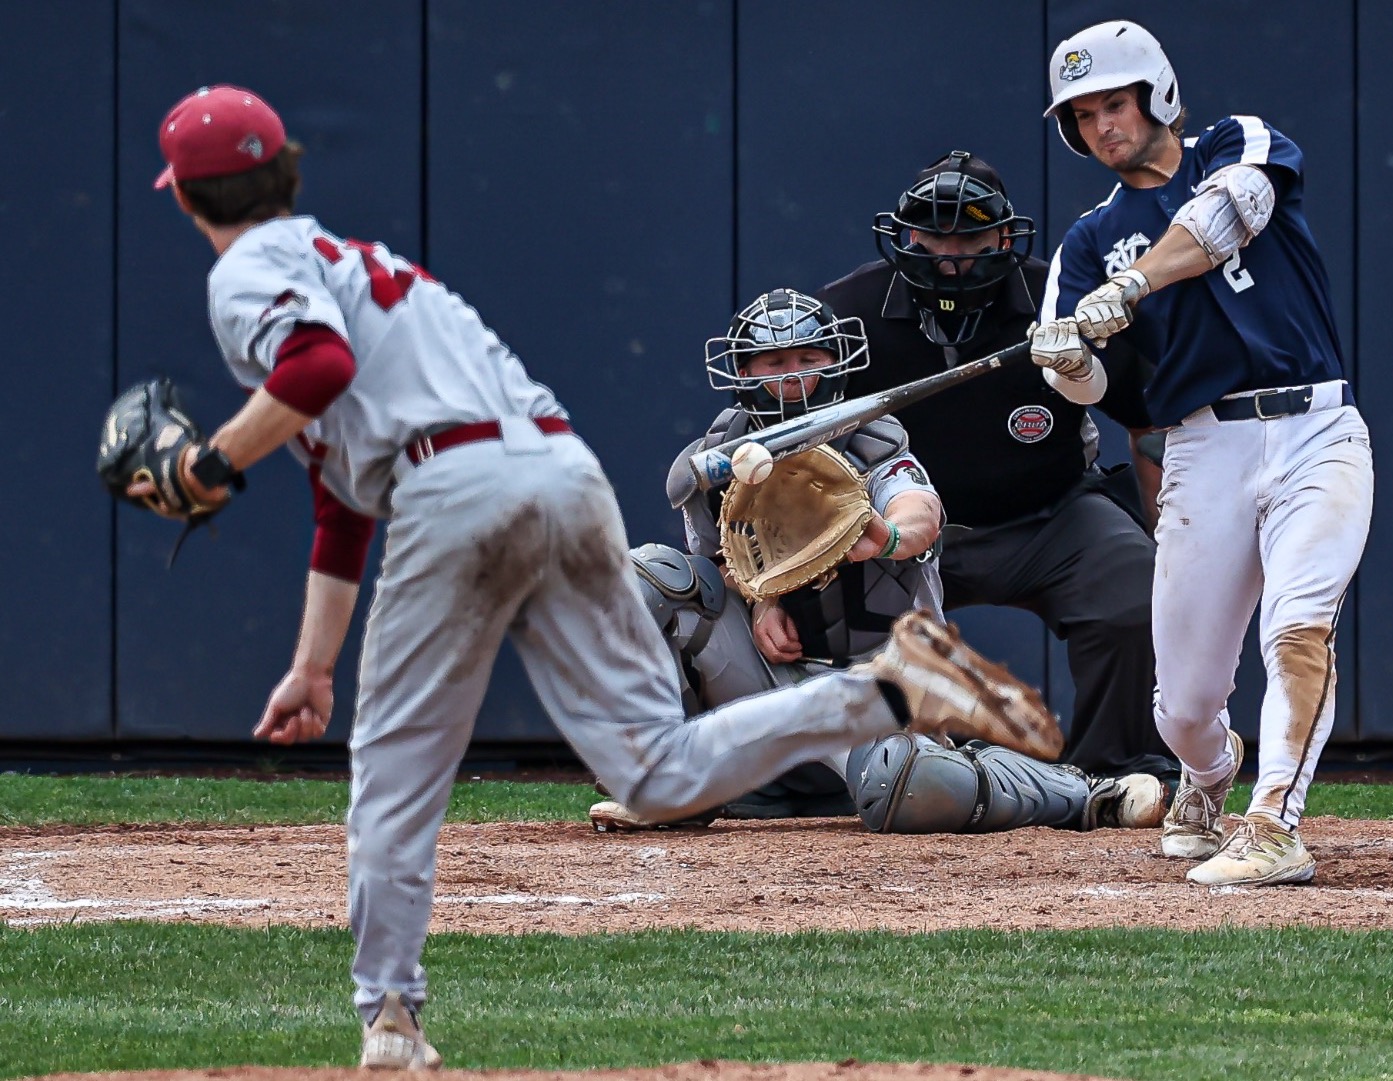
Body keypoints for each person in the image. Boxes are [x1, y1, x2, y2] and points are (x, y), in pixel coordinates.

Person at [142, 85, 1062, 1068]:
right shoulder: (367, 266)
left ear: (187, 199)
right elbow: (338, 496)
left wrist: (208, 464)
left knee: (397, 774)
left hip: (449, 487)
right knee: (652, 771)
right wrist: (313, 666)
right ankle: (883, 690)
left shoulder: (247, 269)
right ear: (285, 172)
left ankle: (393, 1023)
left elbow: (313, 367)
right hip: (556, 469)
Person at [586, 289, 1165, 835]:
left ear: (834, 362)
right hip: (766, 678)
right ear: (741, 371)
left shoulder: (871, 441)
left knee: (912, 786)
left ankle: (1085, 796)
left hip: (873, 682)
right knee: (650, 576)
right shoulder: (711, 462)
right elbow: (719, 560)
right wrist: (763, 599)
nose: (788, 373)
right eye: (770, 360)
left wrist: (882, 536)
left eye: (805, 356)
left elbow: (922, 515)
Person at [1032, 22, 1376, 887]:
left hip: (1314, 429)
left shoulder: (1236, 142)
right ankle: (1209, 774)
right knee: (1181, 707)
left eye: (1114, 103)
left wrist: (1134, 282)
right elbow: (1087, 384)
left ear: (1156, 94)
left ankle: (1273, 823)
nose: (1102, 126)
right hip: (1201, 446)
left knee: (1296, 624)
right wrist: (1068, 358)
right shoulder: (1084, 240)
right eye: (1081, 115)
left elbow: (1226, 217)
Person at [819, 150, 1176, 783]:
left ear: (1006, 235)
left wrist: (1166, 531)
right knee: (814, 603)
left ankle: (1117, 772)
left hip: (1052, 516)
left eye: (971, 235)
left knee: (1133, 583)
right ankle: (823, 777)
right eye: (933, 234)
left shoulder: (1061, 297)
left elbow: (1146, 422)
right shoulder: (850, 311)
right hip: (894, 533)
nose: (951, 253)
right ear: (904, 234)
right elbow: (799, 447)